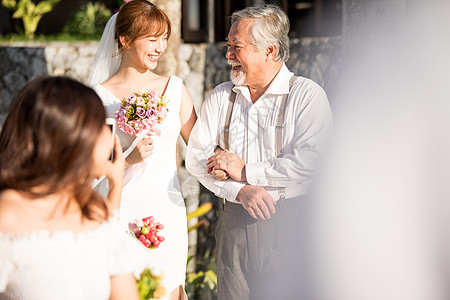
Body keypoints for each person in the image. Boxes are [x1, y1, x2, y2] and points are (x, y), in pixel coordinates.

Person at [185, 4, 332, 300]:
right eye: (228, 46)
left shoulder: (306, 96)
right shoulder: (220, 96)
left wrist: (245, 172)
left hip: (291, 221)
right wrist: (241, 191)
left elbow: (313, 160)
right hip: (233, 225)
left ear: (268, 50)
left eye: (236, 46)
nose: (228, 55)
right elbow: (197, 158)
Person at [0, 76, 147, 300]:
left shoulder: (95, 210)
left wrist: (116, 182)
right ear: (71, 137)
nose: (111, 135)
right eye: (100, 126)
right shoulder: (8, 215)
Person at [88, 1, 196, 299]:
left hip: (167, 208)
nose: (160, 47)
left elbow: (202, 148)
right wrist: (128, 159)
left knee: (167, 287)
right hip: (121, 210)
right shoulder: (98, 98)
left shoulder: (174, 89)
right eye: (152, 38)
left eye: (164, 38)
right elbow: (90, 170)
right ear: (124, 39)